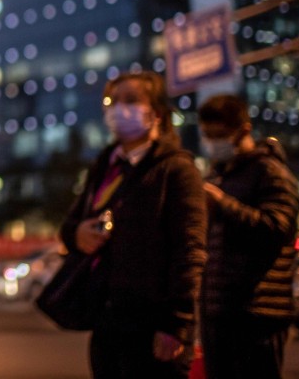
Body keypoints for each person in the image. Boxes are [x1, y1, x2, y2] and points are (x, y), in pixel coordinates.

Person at [58, 71, 207, 379]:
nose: (119, 108)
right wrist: (77, 234)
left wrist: (177, 323)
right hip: (108, 320)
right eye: (112, 101)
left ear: (156, 112)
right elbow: (70, 224)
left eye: (132, 100)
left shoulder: (176, 169)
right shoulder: (105, 165)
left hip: (154, 326)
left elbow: (189, 251)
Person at [196, 94, 299, 379]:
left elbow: (277, 228)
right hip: (218, 315)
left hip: (258, 315)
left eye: (219, 135)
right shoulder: (219, 174)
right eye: (206, 135)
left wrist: (222, 203)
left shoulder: (271, 171)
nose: (211, 142)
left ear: (243, 130)